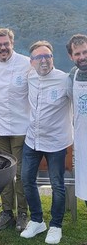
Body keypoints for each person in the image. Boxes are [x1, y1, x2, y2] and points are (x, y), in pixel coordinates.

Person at [20, 40, 73, 244]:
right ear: (31, 61)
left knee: (57, 185)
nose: (44, 60)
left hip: (57, 142)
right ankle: (37, 220)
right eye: (39, 57)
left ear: (53, 58)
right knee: (26, 180)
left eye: (47, 56)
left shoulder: (64, 79)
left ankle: (56, 226)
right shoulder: (29, 76)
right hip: (32, 139)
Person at [0, 28, 30, 232]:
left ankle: (23, 213)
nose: (2, 48)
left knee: (20, 173)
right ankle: (6, 212)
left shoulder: (26, 63)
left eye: (5, 44)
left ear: (12, 43)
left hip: (21, 126)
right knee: (2, 172)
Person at [66, 34, 87, 205]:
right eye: (78, 54)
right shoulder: (73, 75)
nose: (82, 57)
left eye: (85, 52)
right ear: (71, 56)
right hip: (83, 140)